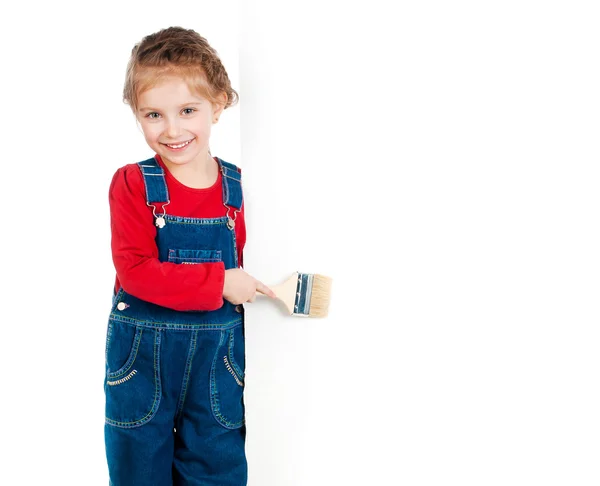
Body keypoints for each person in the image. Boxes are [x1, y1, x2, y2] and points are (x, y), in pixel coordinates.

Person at [104, 26, 275, 486]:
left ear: (219, 104)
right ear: (136, 114)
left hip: (215, 373)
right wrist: (219, 282)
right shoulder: (133, 183)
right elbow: (136, 273)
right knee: (138, 473)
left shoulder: (237, 187)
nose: (172, 129)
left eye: (187, 110)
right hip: (141, 374)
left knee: (216, 473)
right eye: (154, 114)